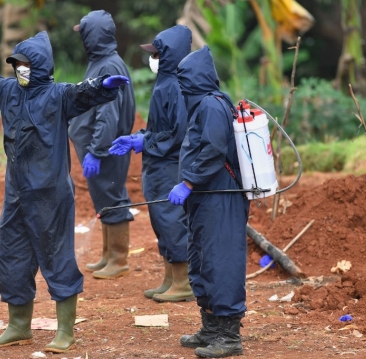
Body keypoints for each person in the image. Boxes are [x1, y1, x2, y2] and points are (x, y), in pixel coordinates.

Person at [0, 31, 130, 353]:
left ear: (38, 66)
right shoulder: (8, 91)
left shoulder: (58, 95)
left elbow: (82, 93)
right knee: (11, 256)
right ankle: (19, 326)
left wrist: (103, 86)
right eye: (15, 63)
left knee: (57, 257)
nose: (18, 69)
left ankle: (65, 331)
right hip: (17, 193)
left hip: (49, 193)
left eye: (24, 64)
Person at [167, 46, 250, 358]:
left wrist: (188, 182)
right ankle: (211, 328)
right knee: (202, 261)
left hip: (221, 198)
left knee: (221, 262)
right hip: (206, 198)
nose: (182, 85)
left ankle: (229, 338)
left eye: (184, 78)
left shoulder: (211, 106)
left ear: (197, 78)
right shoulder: (202, 104)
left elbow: (214, 150)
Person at [109, 25, 194, 302]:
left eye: (157, 53)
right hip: (158, 165)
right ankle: (169, 277)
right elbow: (160, 127)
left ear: (171, 55)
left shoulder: (177, 86)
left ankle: (183, 282)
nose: (152, 59)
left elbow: (177, 134)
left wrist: (146, 142)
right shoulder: (165, 82)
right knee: (160, 221)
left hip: (170, 165)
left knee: (171, 221)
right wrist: (139, 136)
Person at [70, 10, 136, 280]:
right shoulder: (101, 61)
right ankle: (108, 255)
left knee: (113, 198)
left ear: (92, 36)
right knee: (104, 198)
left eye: (84, 33)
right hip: (98, 147)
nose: (82, 39)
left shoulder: (109, 65)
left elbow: (107, 115)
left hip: (106, 149)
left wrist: (96, 151)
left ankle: (119, 260)